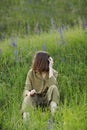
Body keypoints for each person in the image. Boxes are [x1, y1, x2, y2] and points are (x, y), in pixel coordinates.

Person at [21, 51, 59, 121]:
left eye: (35, 60)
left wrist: (50, 68)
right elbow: (26, 89)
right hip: (35, 99)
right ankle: (26, 122)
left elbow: (54, 85)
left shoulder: (53, 72)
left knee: (54, 88)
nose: (34, 62)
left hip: (48, 99)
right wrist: (29, 93)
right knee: (28, 98)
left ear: (40, 62)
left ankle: (54, 117)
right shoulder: (31, 73)